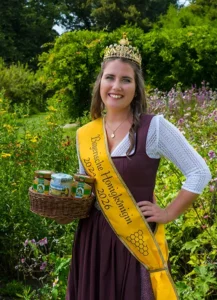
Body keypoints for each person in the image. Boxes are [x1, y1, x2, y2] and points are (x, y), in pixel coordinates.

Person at [66, 35, 211, 300]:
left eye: (126, 79)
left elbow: (200, 172)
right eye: (109, 77)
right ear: (100, 82)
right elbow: (87, 188)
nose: (116, 86)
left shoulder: (154, 128)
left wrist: (168, 213)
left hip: (135, 237)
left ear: (136, 87)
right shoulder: (86, 134)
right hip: (93, 239)